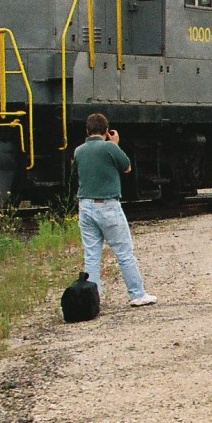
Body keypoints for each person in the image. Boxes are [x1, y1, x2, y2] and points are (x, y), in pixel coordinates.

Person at [74, 112, 156, 307]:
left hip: (85, 206)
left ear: (87, 130)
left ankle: (92, 300)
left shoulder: (78, 151)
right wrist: (115, 144)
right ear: (106, 130)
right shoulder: (109, 147)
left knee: (91, 255)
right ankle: (137, 294)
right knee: (124, 252)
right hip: (107, 205)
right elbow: (127, 167)